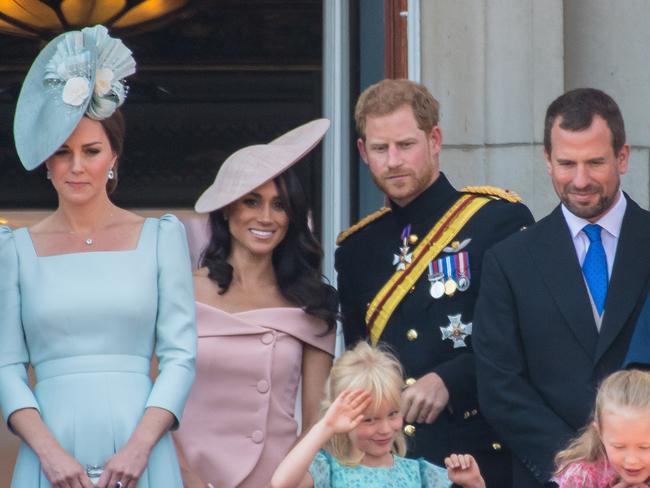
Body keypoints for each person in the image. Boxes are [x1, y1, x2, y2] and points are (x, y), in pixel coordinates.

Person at [0, 25, 196, 488]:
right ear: (47, 163)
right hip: (49, 449)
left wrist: (140, 446)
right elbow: (6, 366)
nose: (76, 166)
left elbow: (181, 356)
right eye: (62, 153)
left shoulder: (160, 237)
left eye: (91, 151)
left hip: (142, 447)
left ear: (114, 157)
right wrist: (49, 455)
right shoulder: (15, 249)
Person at [334, 78, 534, 486]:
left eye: (405, 145)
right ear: (362, 152)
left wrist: (451, 379)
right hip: (395, 463)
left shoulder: (496, 220)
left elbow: (529, 340)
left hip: (477, 454)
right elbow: (360, 362)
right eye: (379, 148)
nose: (393, 161)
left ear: (435, 139)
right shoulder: (356, 250)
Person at [473, 88, 650, 487]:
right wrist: (580, 469)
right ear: (547, 161)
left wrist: (631, 457)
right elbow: (500, 387)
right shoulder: (509, 260)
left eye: (595, 162)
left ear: (622, 158)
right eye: (567, 163)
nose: (581, 180)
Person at [172, 119, 338, 488]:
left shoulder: (311, 304)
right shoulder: (180, 292)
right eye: (252, 201)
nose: (266, 217)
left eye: (279, 205)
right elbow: (155, 402)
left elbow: (315, 423)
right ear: (227, 209)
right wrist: (184, 478)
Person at [270, 341, 486, 488]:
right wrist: (326, 425)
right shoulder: (328, 468)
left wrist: (474, 483)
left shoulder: (419, 473)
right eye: (370, 419)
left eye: (392, 414)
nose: (384, 429)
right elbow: (281, 483)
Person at [554, 369, 650, 487]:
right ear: (600, 433)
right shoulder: (580, 476)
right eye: (618, 447)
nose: (631, 460)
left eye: (645, 447)